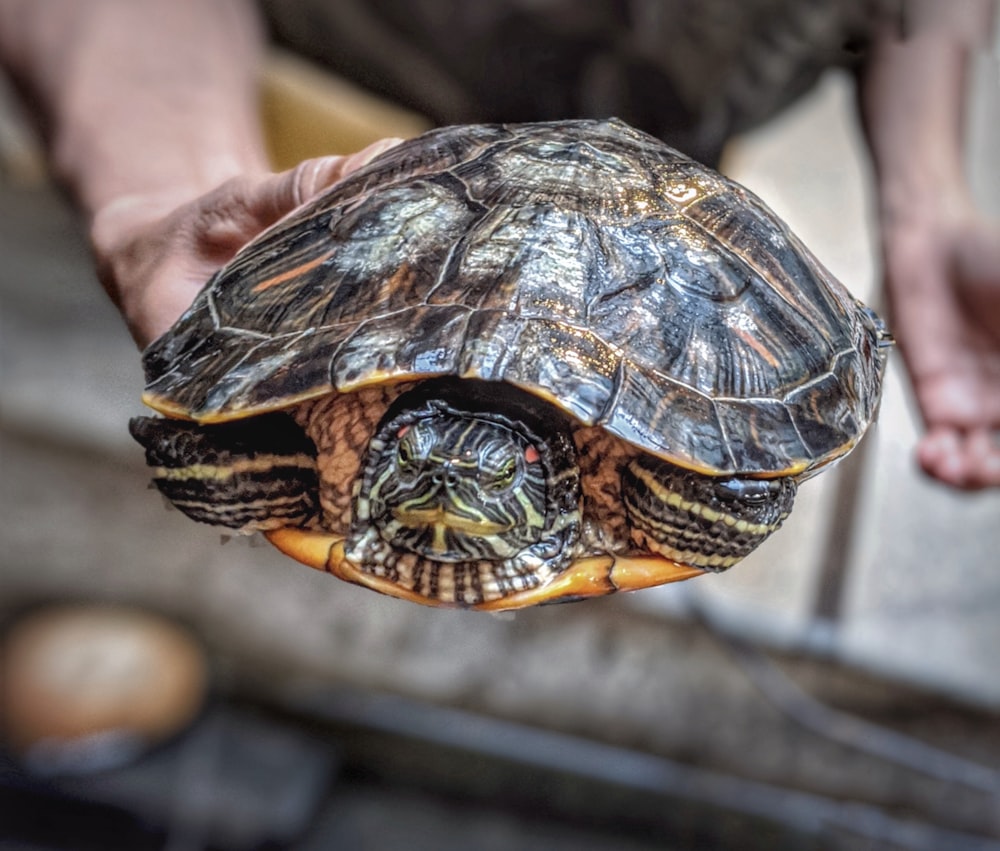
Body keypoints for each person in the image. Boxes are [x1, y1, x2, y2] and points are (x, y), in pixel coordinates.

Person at [0, 0, 997, 489]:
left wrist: (924, 197)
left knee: (649, 492)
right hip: (370, 129)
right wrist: (169, 196)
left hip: (682, 140)